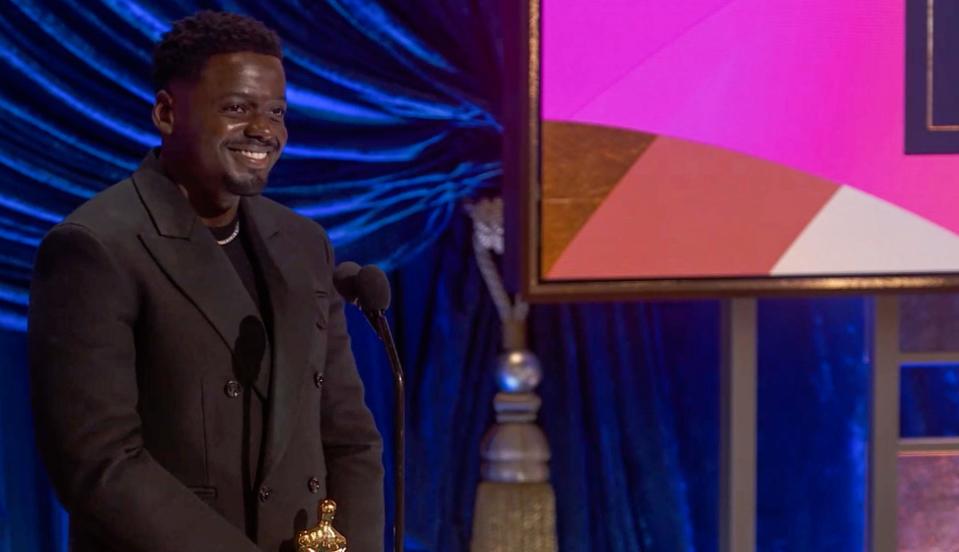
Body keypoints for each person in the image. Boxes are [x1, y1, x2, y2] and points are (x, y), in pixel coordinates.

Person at [27, 11, 384, 552]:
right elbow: (100, 465)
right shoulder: (97, 247)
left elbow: (348, 436)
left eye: (277, 111)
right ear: (168, 112)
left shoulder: (305, 244)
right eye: (238, 108)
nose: (265, 130)